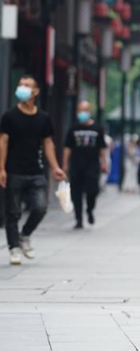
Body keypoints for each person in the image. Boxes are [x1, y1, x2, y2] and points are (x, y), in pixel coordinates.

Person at [0, 75, 66, 265]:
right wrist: (1, 168)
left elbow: (48, 143)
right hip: (14, 171)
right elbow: (3, 142)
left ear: (35, 92)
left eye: (27, 85)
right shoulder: (9, 116)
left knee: (40, 207)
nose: (22, 88)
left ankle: (25, 235)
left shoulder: (43, 118)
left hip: (36, 171)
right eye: (20, 84)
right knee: (12, 212)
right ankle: (13, 248)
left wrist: (55, 167)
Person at [63, 101, 108, 229]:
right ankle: (78, 219)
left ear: (90, 111)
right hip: (76, 166)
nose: (82, 113)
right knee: (76, 194)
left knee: (93, 191)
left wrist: (104, 163)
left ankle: (89, 209)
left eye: (85, 110)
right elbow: (67, 147)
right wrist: (65, 164)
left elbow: (102, 148)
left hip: (92, 166)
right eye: (80, 110)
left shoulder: (97, 129)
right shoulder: (73, 129)